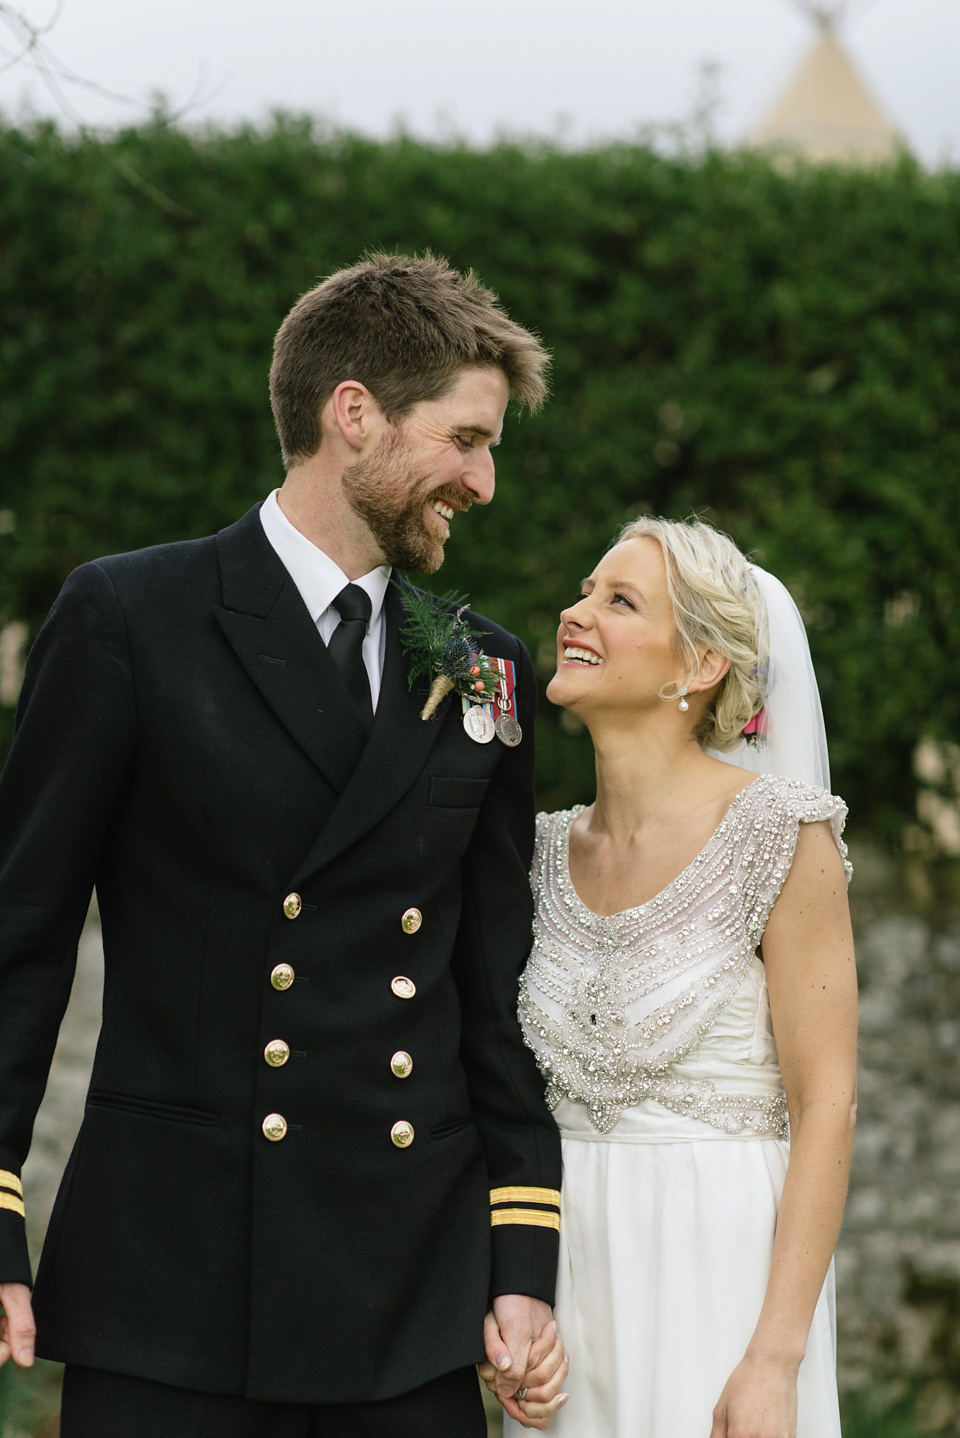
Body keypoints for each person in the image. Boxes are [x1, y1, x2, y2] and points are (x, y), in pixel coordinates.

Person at [0, 252, 566, 1436]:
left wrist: (521, 1255)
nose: (486, 480)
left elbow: (492, 987)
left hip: (404, 1299)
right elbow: (24, 940)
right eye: (466, 438)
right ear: (352, 413)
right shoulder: (130, 618)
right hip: (178, 1279)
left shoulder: (486, 666)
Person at [485, 515, 857, 1436]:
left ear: (696, 669)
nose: (577, 613)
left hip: (723, 1276)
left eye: (619, 601)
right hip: (568, 1295)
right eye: (584, 590)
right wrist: (511, 1296)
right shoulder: (530, 855)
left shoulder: (782, 834)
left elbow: (828, 1104)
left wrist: (775, 1356)